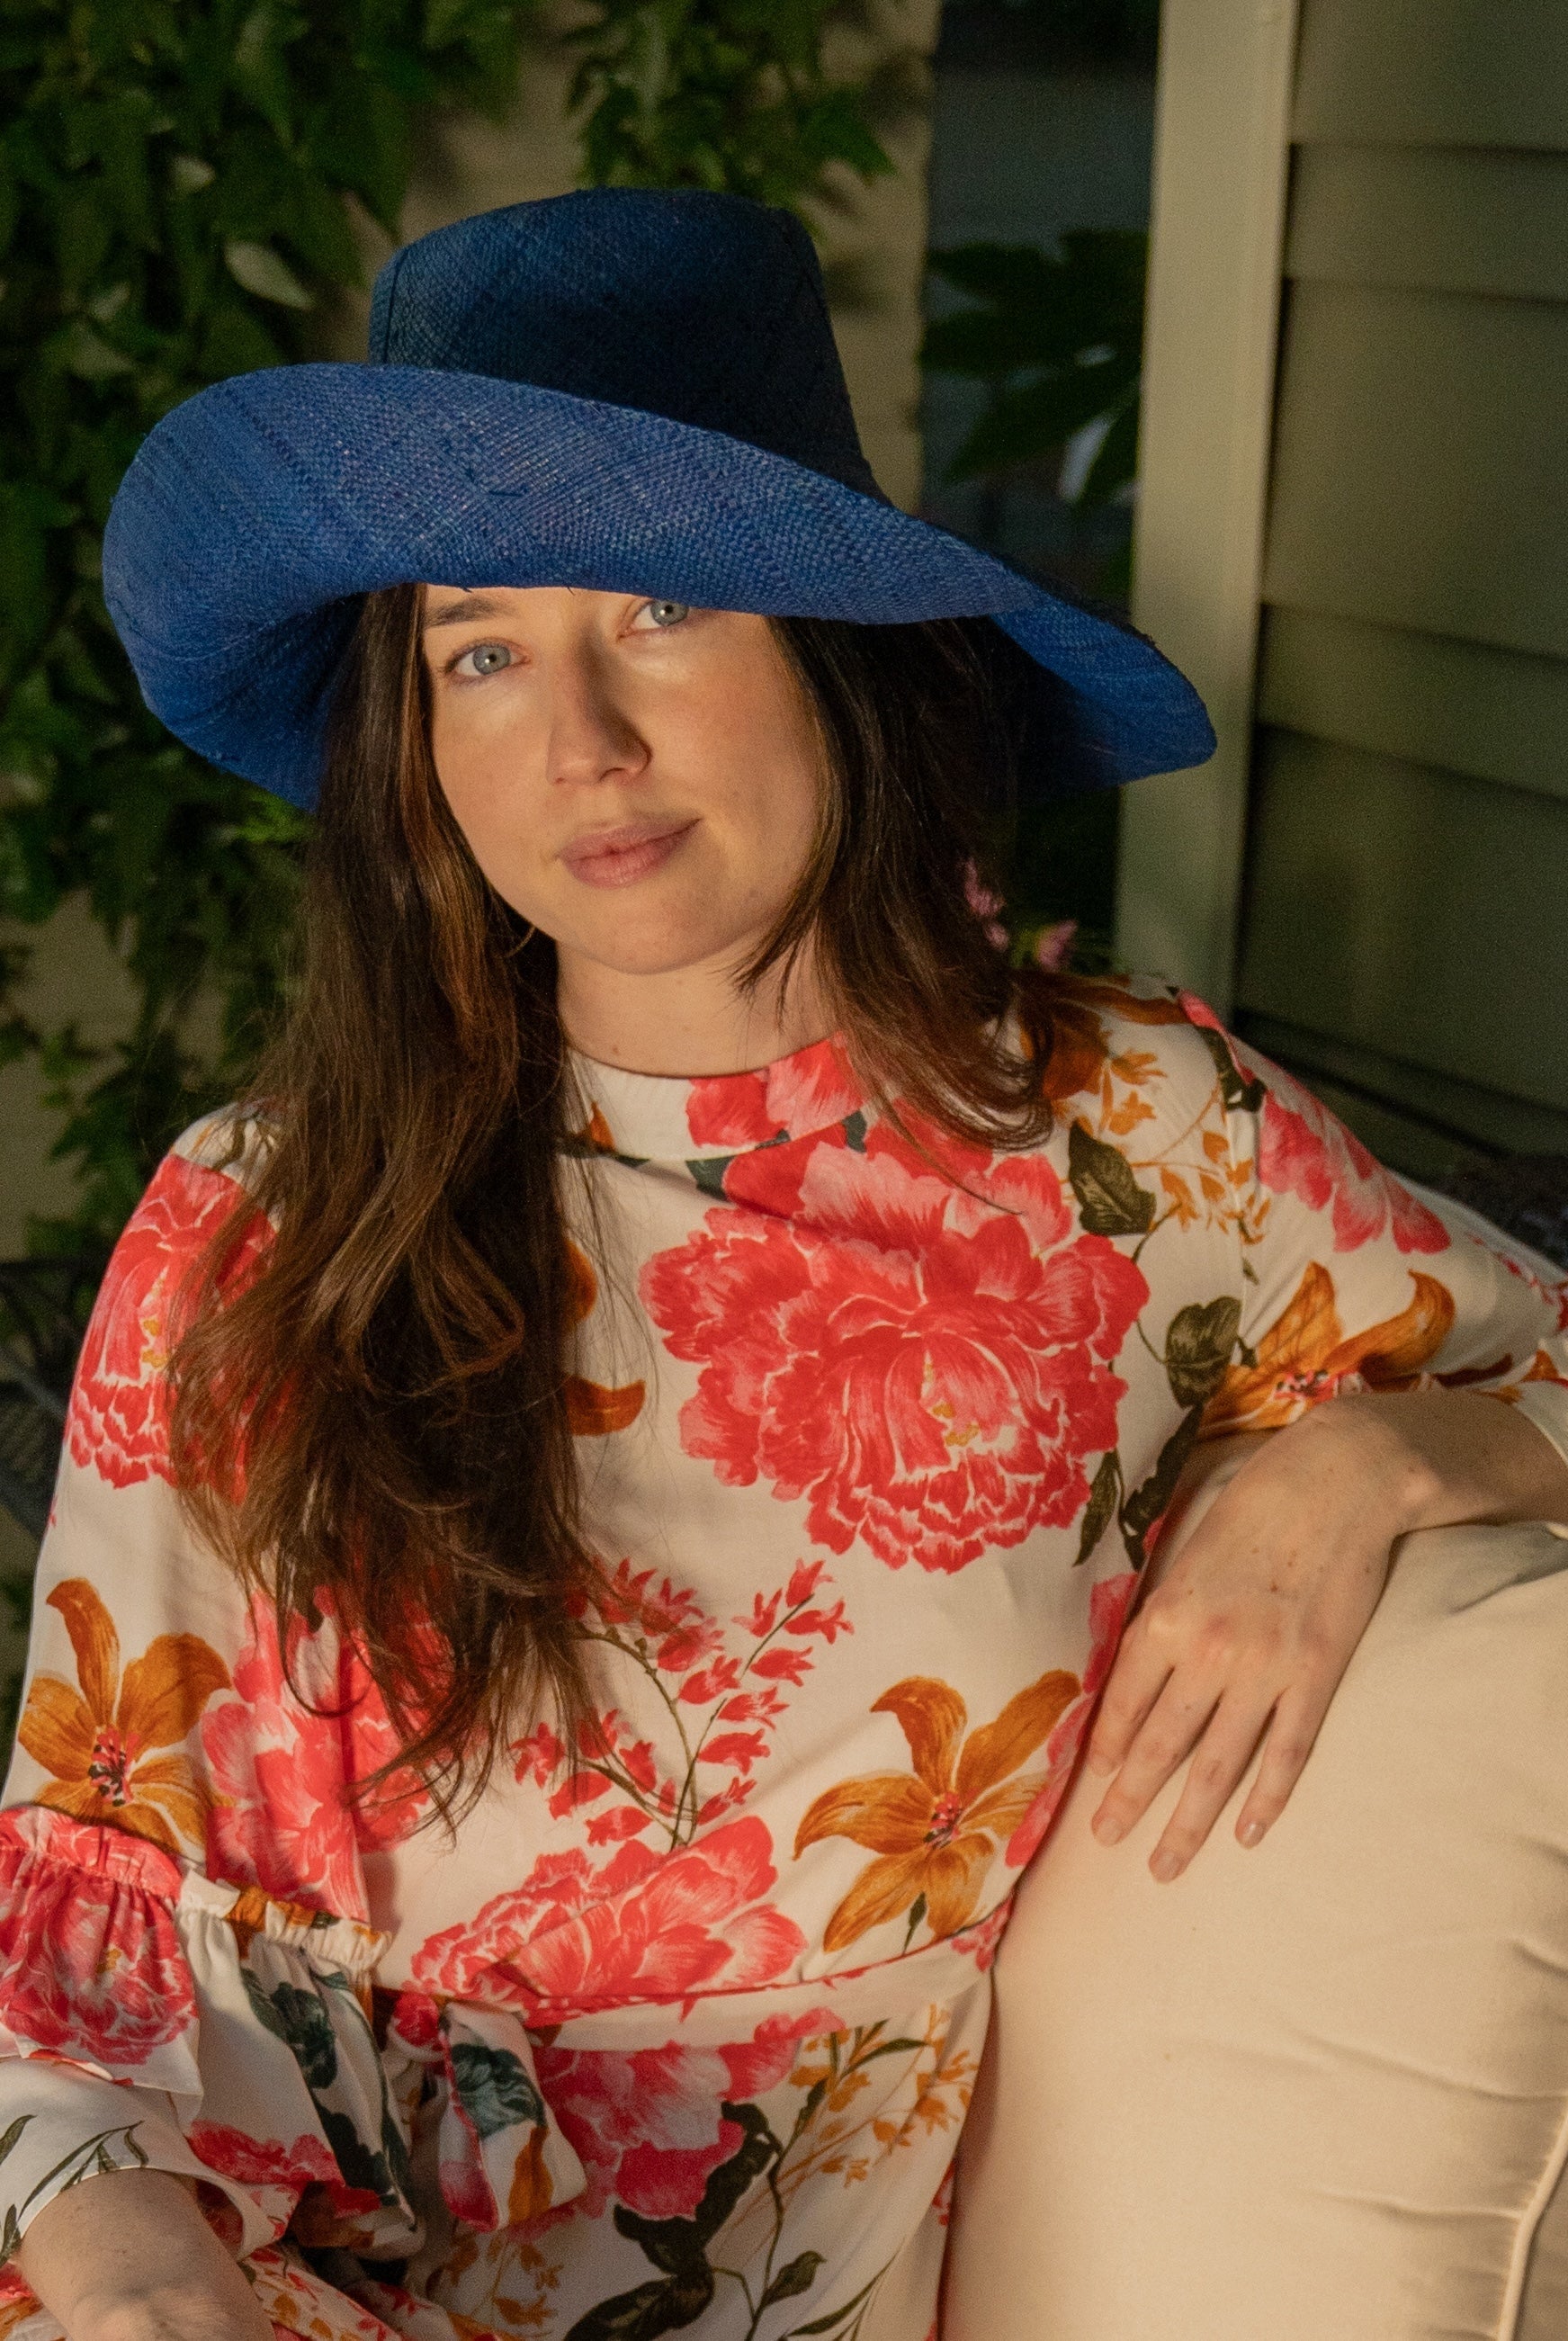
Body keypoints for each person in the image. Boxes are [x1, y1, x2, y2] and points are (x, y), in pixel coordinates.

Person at [3, 190, 1567, 2341]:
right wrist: (123, 2259)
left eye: (657, 606)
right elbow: (81, 1915)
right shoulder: (262, 1209)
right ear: (410, 737)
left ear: (837, 637)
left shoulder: (1127, 1148)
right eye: (479, 647)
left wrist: (1385, 1456)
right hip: (237, 2274)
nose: (579, 742)